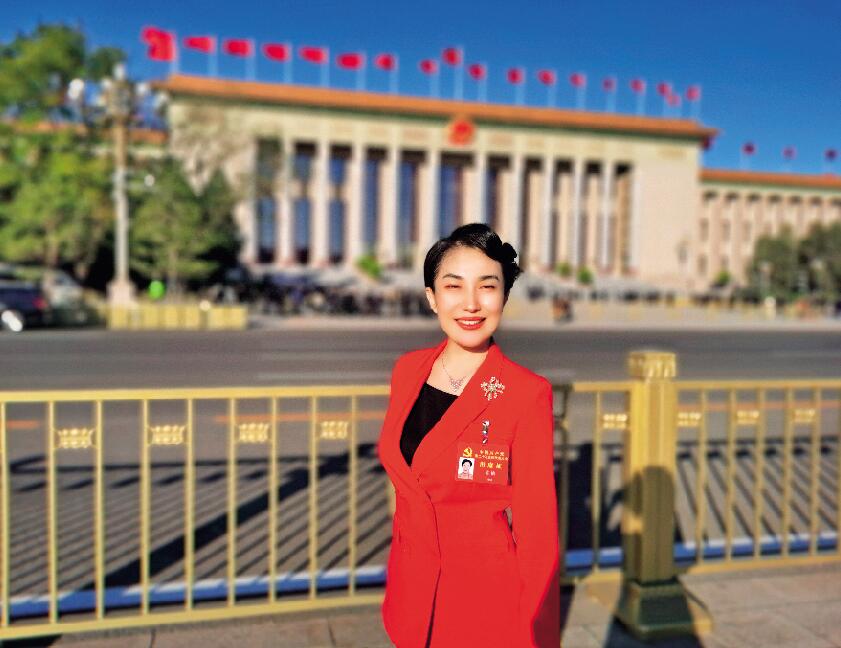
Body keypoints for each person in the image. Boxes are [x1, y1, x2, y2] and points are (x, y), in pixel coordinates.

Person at [377, 223, 560, 648]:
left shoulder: (526, 393)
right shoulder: (407, 370)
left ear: (504, 296)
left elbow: (538, 536)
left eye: (488, 286)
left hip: (484, 605)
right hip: (411, 596)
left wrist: (539, 635)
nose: (471, 303)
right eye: (454, 286)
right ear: (432, 297)